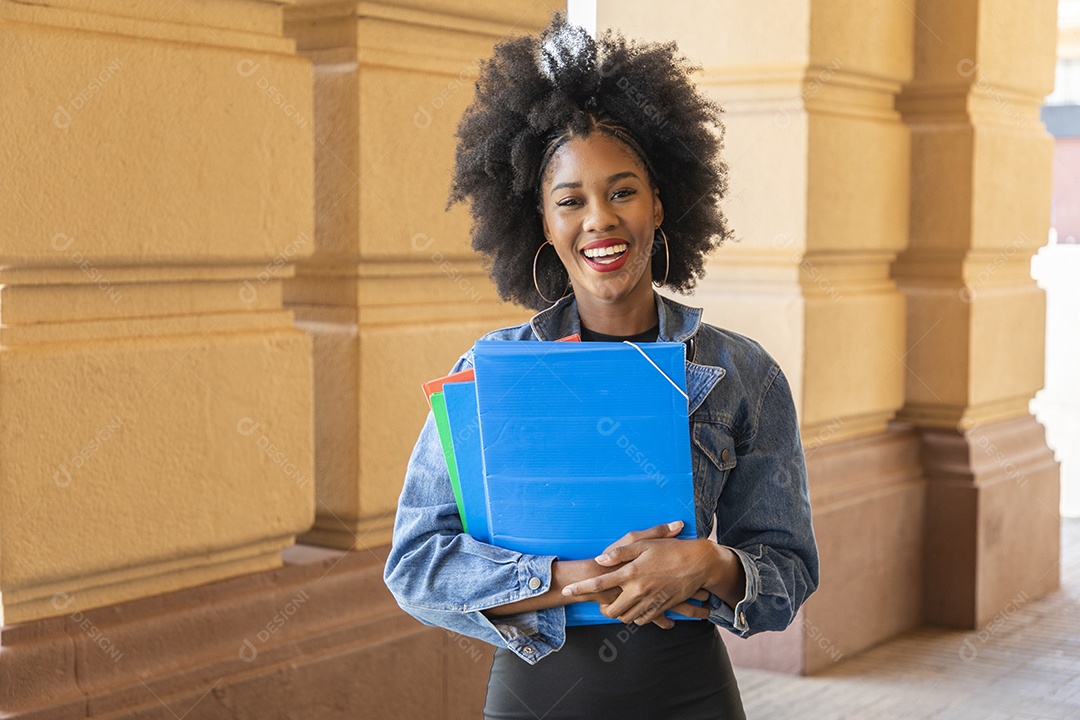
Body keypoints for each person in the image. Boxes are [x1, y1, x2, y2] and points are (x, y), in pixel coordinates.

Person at [384, 14, 819, 719]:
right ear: (541, 223)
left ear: (660, 203)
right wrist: (573, 579)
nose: (599, 220)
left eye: (622, 192)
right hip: (538, 697)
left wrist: (715, 565)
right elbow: (414, 566)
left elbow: (790, 570)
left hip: (691, 694)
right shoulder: (492, 373)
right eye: (570, 201)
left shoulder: (743, 372)